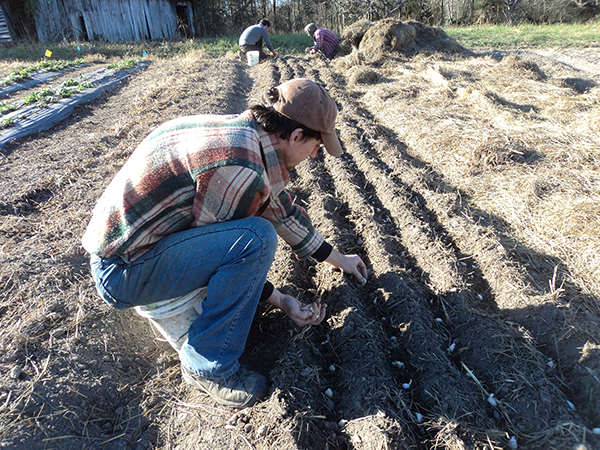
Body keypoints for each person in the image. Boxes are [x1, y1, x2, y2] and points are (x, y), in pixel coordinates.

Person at [82, 78, 368, 409]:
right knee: (257, 238)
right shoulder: (239, 167)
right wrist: (277, 298)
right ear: (296, 136)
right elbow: (229, 256)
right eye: (316, 147)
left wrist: (338, 259)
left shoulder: (248, 138)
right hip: (124, 271)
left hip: (131, 249)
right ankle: (208, 366)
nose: (315, 155)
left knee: (255, 234)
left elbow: (281, 209)